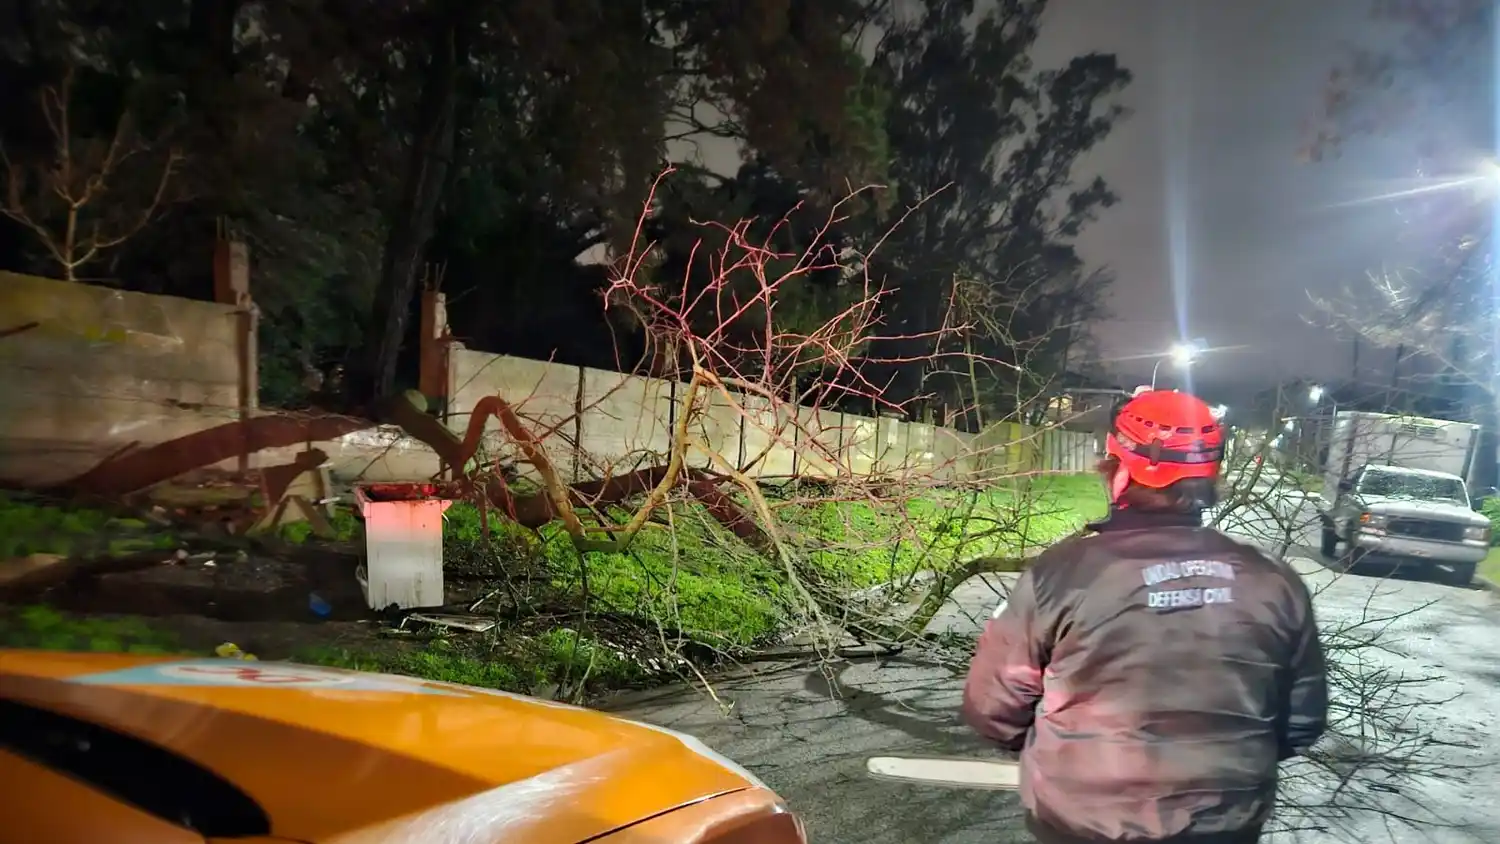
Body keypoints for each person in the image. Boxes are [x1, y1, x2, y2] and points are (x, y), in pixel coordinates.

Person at [961, 389, 1327, 844]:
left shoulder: (1065, 573)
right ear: (1210, 476)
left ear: (1119, 469)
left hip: (1084, 823)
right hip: (1224, 825)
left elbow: (994, 707)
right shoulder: (1275, 581)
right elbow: (1302, 722)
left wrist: (1058, 755)